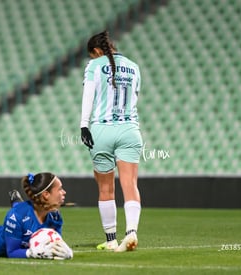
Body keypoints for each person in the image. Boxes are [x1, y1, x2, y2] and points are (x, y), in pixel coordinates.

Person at [80, 31, 142, 252]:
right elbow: (134, 98)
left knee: (106, 188)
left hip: (101, 131)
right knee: (130, 184)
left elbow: (88, 96)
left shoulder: (94, 66)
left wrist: (83, 125)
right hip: (129, 130)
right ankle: (131, 232)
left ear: (96, 52)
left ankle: (111, 239)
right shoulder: (134, 67)